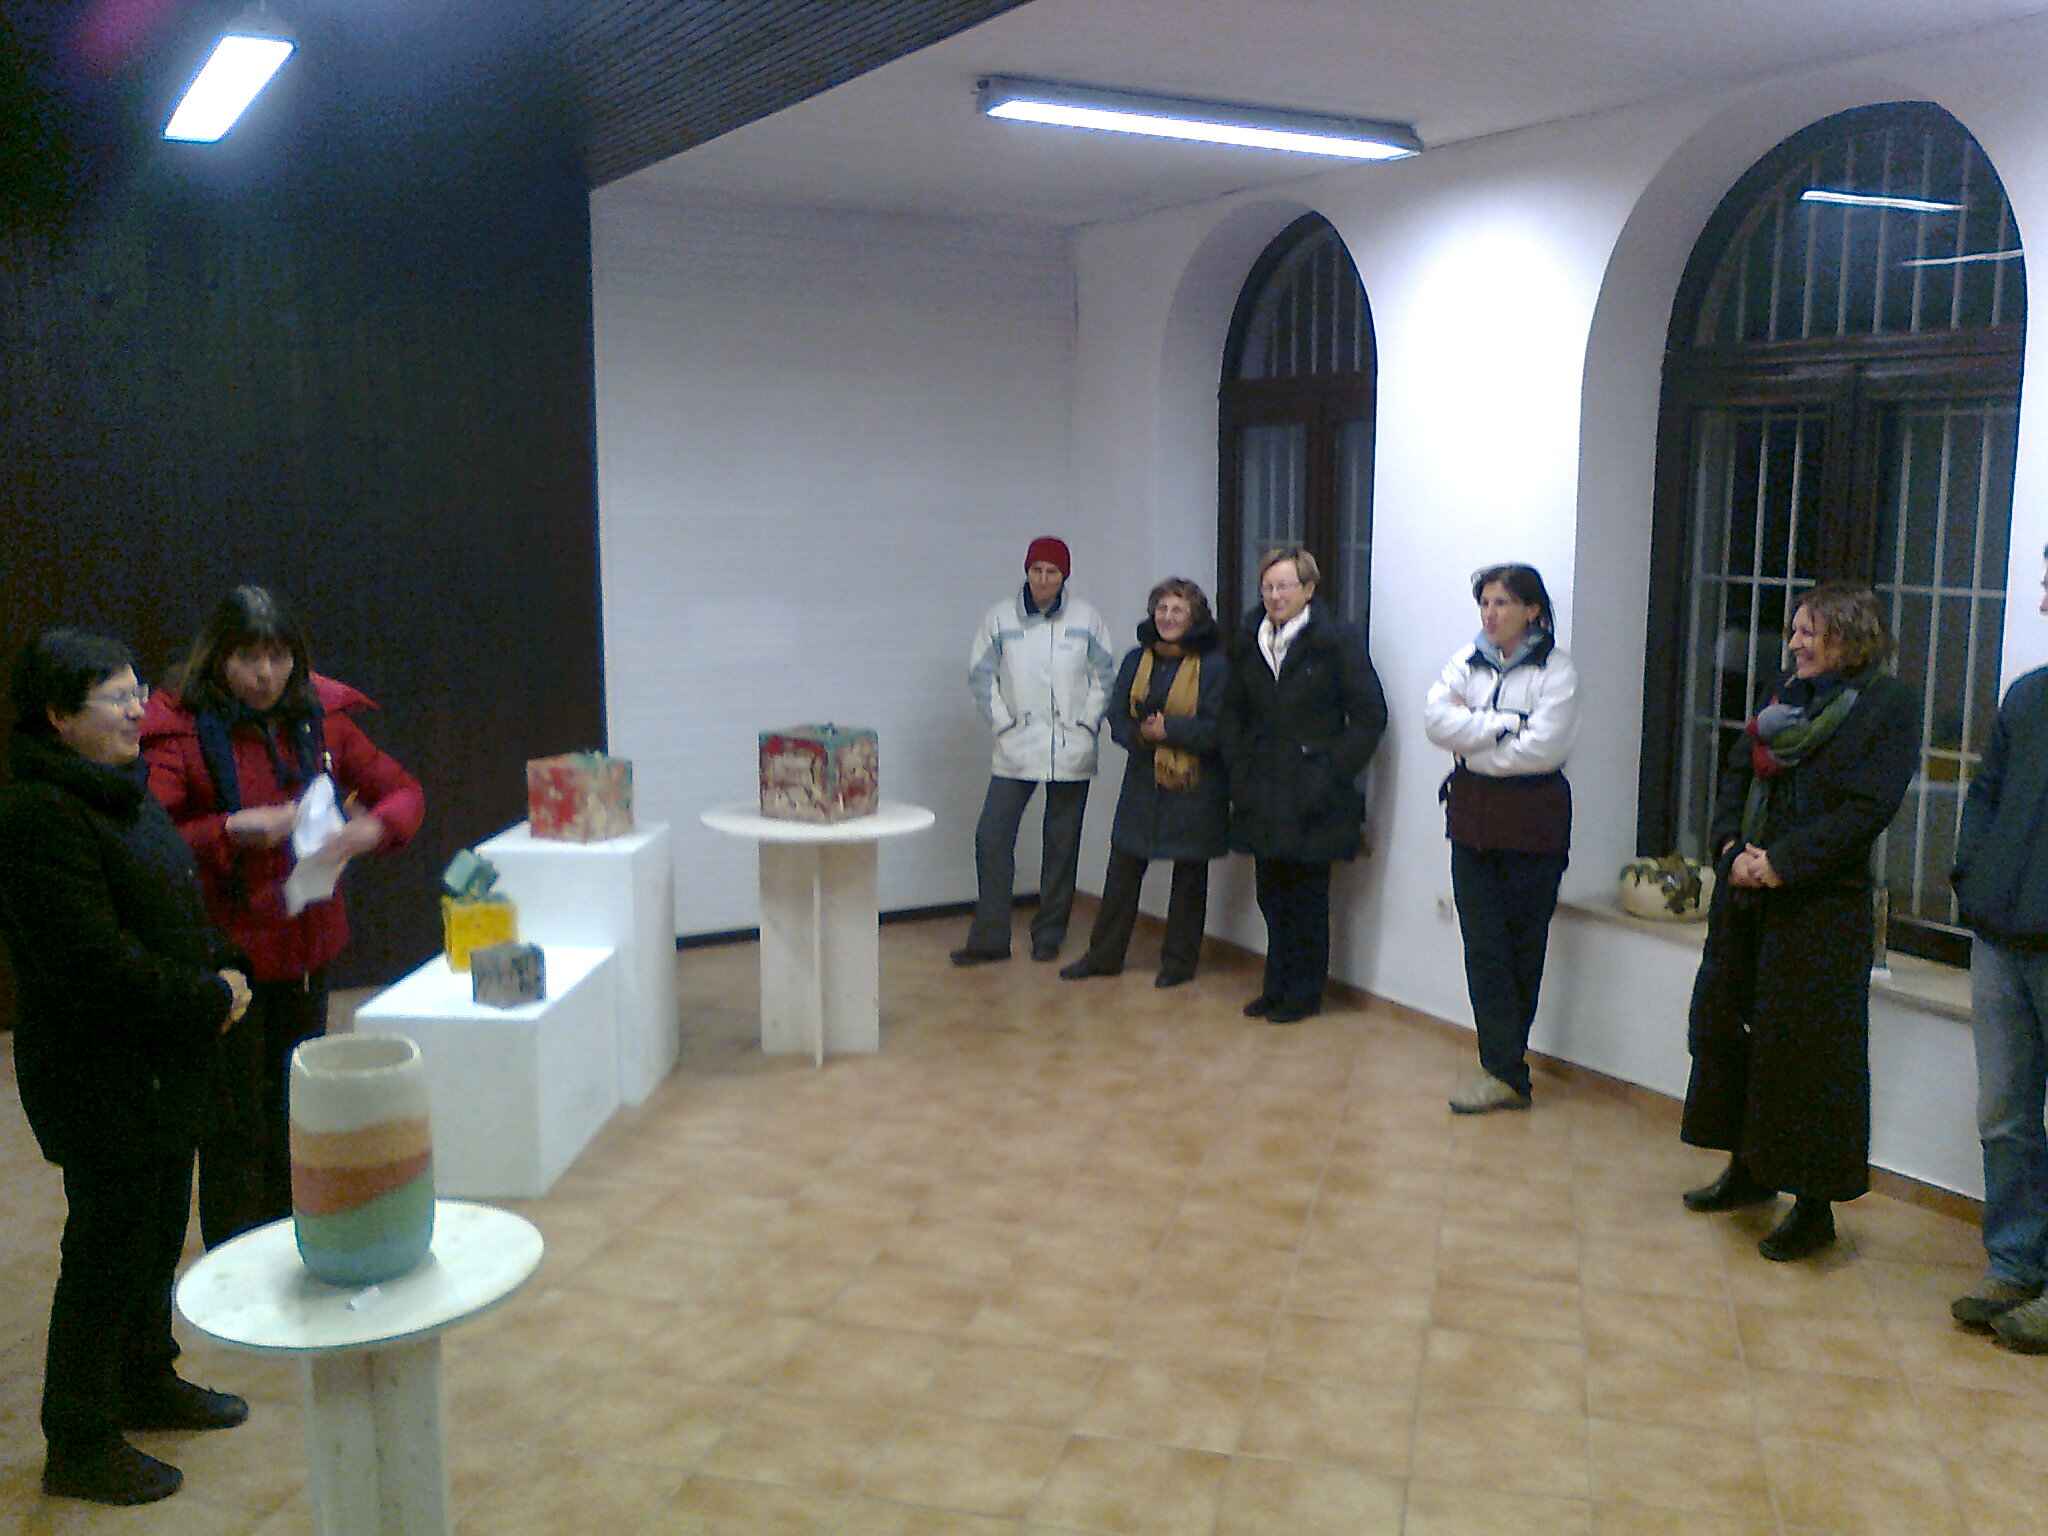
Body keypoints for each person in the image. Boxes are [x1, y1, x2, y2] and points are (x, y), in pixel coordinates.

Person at [0, 630, 254, 1505]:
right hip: (99, 1074)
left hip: (162, 1063)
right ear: (57, 715)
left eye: (138, 690)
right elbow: (92, 965)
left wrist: (221, 962)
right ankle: (78, 1439)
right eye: (116, 697)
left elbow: (170, 905)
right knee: (106, 1250)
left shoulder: (120, 788)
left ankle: (147, 1378)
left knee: (154, 1235)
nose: (139, 708)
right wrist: (207, 997)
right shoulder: (37, 815)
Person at [141, 586, 424, 1246]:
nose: (265, 675)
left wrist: (373, 829)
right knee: (234, 1126)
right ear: (218, 658)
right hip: (225, 957)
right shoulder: (179, 728)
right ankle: (238, 1258)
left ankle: (291, 1245)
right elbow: (149, 840)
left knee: (296, 1111)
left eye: (278, 657)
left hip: (305, 948)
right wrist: (227, 829)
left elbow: (403, 791)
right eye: (248, 658)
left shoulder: (321, 717)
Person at [1679, 582, 1919, 1262]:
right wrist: (1729, 847)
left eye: (1809, 631)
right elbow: (1735, 772)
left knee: (1810, 1058)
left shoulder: (1887, 705)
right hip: (1746, 896)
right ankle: (1748, 1170)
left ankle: (1813, 1207)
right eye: (1795, 630)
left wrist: (1781, 863)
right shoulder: (1785, 694)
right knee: (1731, 1031)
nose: (1794, 643)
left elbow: (1867, 808)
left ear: (1849, 634)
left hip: (1819, 908)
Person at [1424, 564, 1581, 1113]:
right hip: (1473, 821)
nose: (1490, 614)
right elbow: (1435, 721)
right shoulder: (1466, 660)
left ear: (1532, 610)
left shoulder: (1557, 671)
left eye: (1502, 603)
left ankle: (1506, 1069)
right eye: (1485, 603)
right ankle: (1503, 1067)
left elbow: (1543, 749)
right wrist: (1503, 724)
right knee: (1483, 948)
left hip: (1533, 825)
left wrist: (1473, 735)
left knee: (1522, 948)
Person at [1219, 546, 1388, 1024]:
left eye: (1285, 586)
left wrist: (1330, 771)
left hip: (1314, 792)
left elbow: (1370, 716)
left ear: (1309, 589)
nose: (1275, 596)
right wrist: (1239, 769)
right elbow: (1232, 713)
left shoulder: (1336, 641)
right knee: (1271, 894)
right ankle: (1275, 986)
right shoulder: (1249, 640)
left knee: (1307, 899)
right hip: (1261, 789)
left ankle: (1304, 993)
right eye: (1268, 587)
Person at [1949, 542, 2048, 1351]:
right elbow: (1984, 796)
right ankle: (2015, 1264)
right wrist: (1973, 881)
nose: (2043, 601)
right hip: (2002, 938)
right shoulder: (2029, 696)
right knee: (2005, 1115)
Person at [1060, 577, 1230, 987]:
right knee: (1122, 870)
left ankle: (1178, 964)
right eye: (1162, 609)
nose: (1167, 618)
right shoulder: (1137, 659)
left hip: (1194, 786)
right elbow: (1117, 715)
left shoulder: (1215, 665)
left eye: (1178, 610)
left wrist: (1170, 730)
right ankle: (1104, 956)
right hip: (1142, 781)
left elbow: (1219, 729)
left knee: (1189, 879)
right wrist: (1140, 735)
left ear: (1195, 617)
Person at [954, 537, 1116, 965]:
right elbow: (981, 676)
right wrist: (1003, 723)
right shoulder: (999, 618)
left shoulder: (1086, 619)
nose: (1043, 579)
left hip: (1070, 746)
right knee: (992, 836)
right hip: (1017, 745)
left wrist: (1087, 723)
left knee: (1061, 844)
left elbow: (1105, 676)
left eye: (1052, 572)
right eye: (1036, 570)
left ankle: (1049, 934)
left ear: (1065, 576)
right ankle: (990, 938)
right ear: (1026, 572)